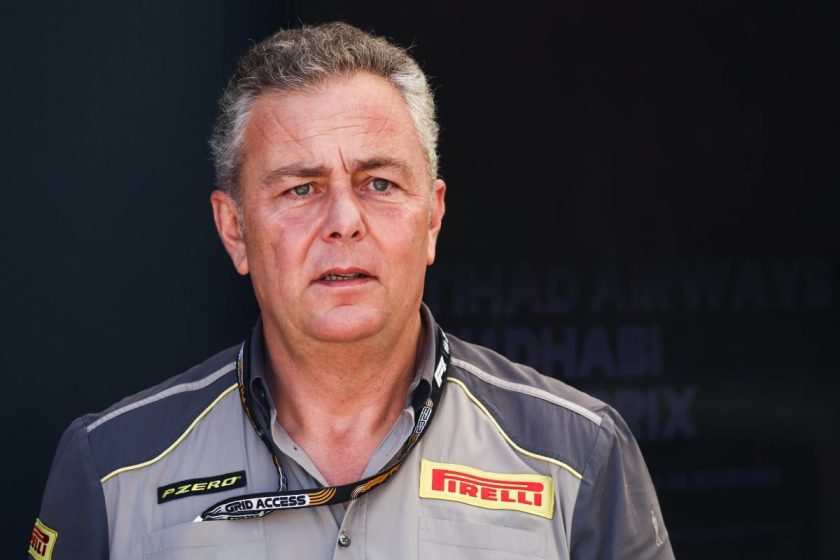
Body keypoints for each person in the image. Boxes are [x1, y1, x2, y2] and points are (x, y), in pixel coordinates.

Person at [30, 22, 674, 559]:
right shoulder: (113, 469)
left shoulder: (577, 454)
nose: (344, 220)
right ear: (235, 231)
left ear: (432, 218)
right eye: (300, 188)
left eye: (379, 184)